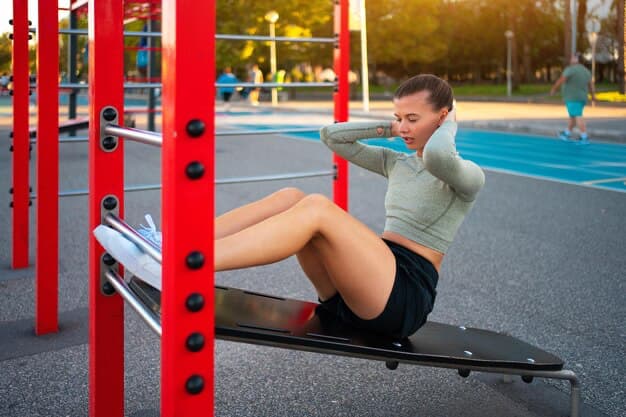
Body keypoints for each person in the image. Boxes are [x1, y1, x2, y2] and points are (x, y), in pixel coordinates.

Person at [94, 74, 485, 339]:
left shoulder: (465, 176)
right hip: (360, 288)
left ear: (444, 117)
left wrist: (447, 126)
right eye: (399, 117)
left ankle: (184, 262)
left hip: (402, 296)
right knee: (292, 198)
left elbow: (437, 156)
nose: (403, 128)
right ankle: (173, 244)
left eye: (413, 119)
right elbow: (332, 137)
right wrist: (390, 126)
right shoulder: (396, 160)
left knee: (317, 208)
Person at [550, 54, 595, 145]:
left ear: (577, 60)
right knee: (573, 116)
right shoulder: (586, 71)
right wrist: (593, 96)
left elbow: (562, 79)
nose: (571, 59)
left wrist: (554, 89)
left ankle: (584, 136)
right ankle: (567, 133)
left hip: (572, 97)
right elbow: (591, 85)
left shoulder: (571, 69)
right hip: (582, 97)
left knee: (578, 115)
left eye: (573, 57)